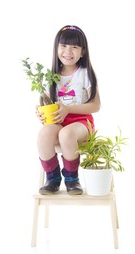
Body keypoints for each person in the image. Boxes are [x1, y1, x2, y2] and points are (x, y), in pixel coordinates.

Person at [36, 25, 100, 195]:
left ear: (82, 52)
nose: (68, 51)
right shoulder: (51, 75)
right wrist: (42, 113)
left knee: (66, 134)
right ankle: (53, 178)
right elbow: (49, 103)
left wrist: (69, 109)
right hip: (58, 121)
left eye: (74, 47)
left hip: (81, 123)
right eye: (63, 45)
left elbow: (95, 105)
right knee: (44, 134)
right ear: (56, 48)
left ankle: (72, 179)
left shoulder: (85, 73)